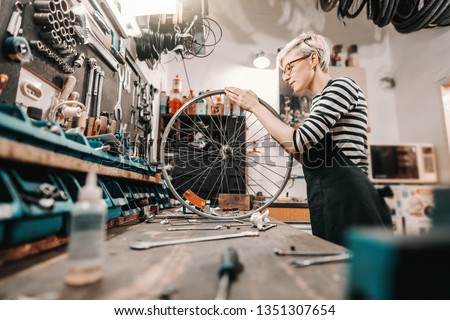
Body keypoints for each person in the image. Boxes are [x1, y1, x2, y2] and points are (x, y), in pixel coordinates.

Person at [225, 33, 393, 246]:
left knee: (355, 273)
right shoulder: (319, 101)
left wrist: (256, 107)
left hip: (353, 200)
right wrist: (278, 133)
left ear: (312, 59)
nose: (286, 77)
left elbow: (299, 141)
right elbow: (308, 156)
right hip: (330, 199)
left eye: (289, 67)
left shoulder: (341, 87)